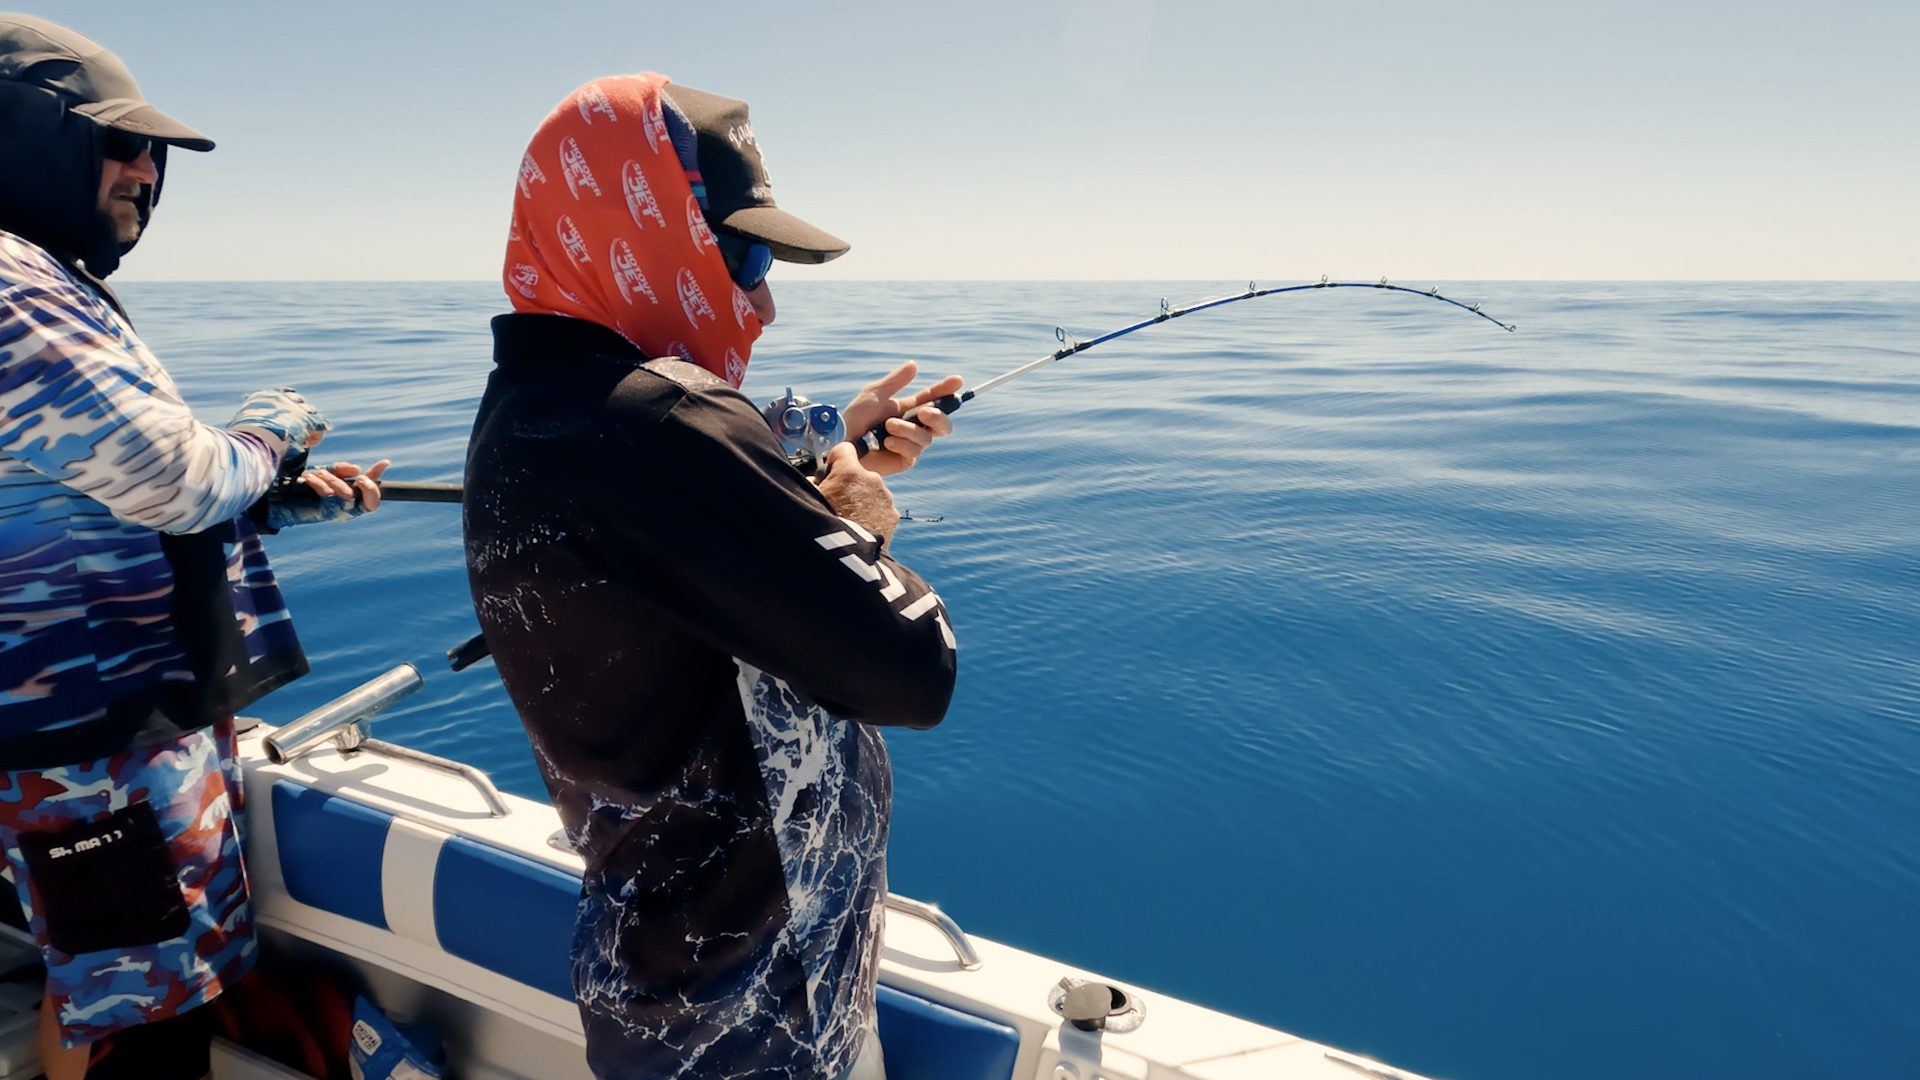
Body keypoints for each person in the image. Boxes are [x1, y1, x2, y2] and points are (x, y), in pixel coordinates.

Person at [464, 73, 960, 1079]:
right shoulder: (666, 425)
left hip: (667, 988)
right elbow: (915, 672)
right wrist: (860, 520)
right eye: (745, 253)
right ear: (634, 221)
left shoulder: (535, 405)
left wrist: (807, 469)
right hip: (760, 1018)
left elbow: (675, 546)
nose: (766, 301)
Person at [0, 14, 388, 1080]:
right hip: (89, 745)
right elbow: (177, 477)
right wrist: (276, 428)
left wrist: (268, 503)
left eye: (155, 153)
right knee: (134, 1018)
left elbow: (67, 497)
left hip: (83, 734)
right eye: (115, 143)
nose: (146, 173)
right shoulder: (10, 284)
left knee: (112, 992)